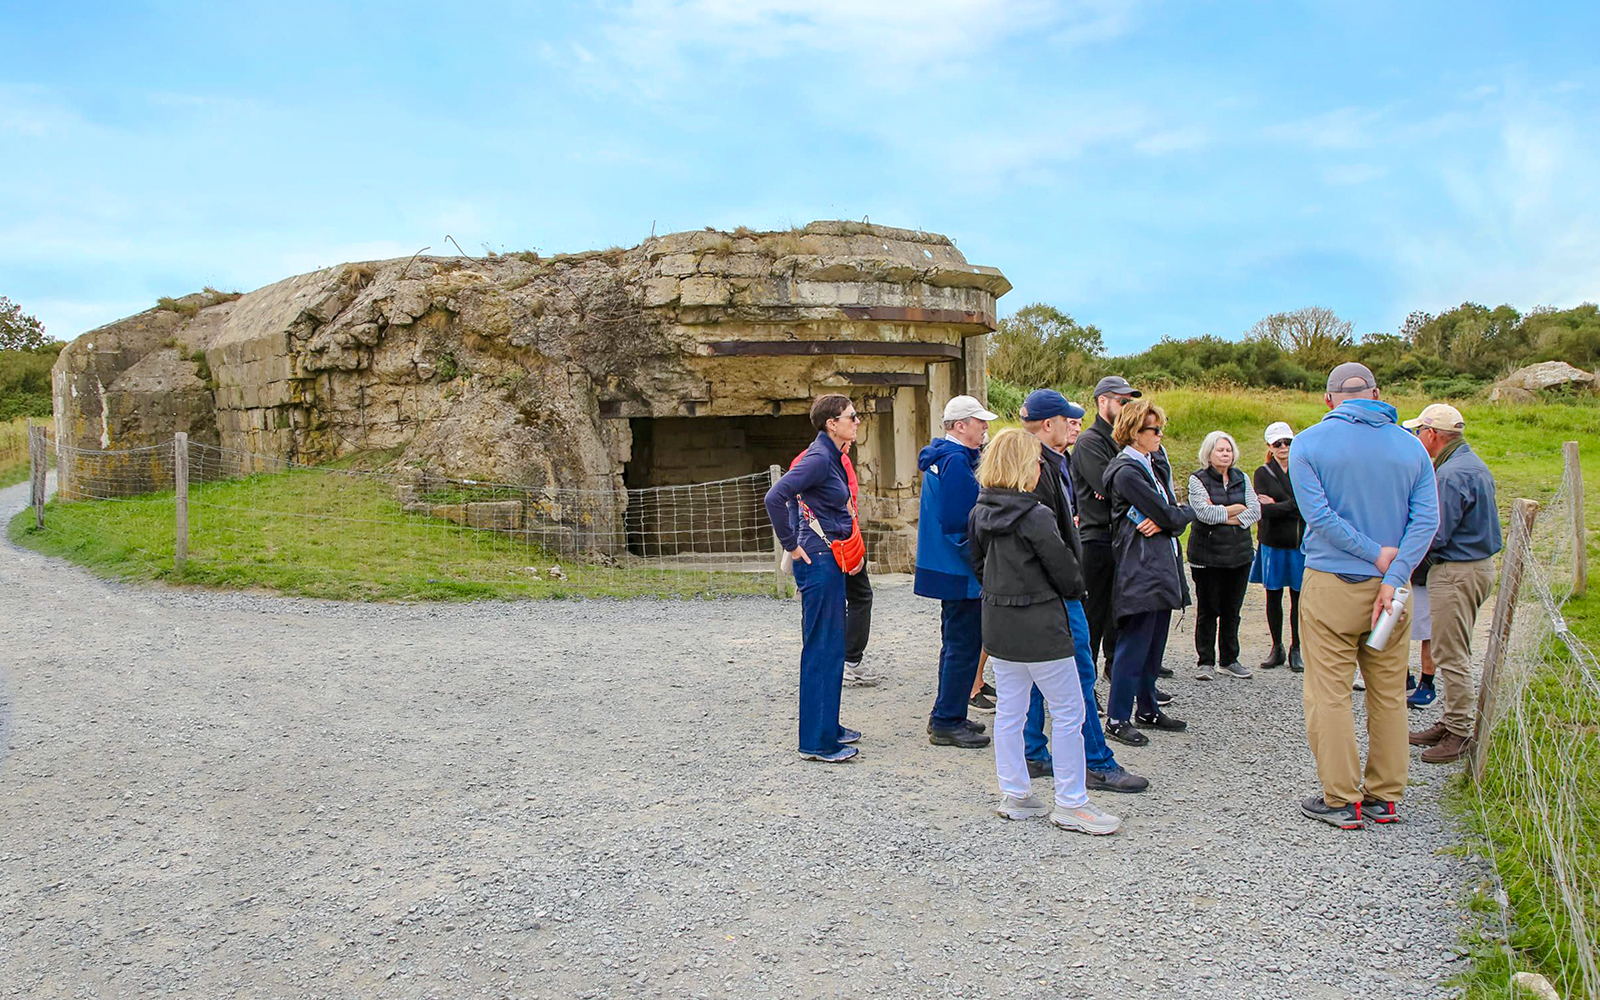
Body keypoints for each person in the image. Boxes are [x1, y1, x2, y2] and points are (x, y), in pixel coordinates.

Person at [1290, 362, 1438, 828]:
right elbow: (1426, 521)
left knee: (1329, 693)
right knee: (1390, 693)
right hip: (1392, 591)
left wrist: (1374, 555)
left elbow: (1320, 517)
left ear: (1329, 398)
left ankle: (1341, 799)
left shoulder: (1308, 444)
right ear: (1377, 393)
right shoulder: (1411, 446)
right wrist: (1393, 571)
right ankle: (1385, 795)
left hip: (1333, 583)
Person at [968, 428, 1121, 835]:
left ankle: (1016, 792)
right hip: (1041, 623)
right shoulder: (1036, 515)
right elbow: (1067, 571)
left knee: (1011, 710)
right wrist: (1068, 589)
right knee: (1070, 710)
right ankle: (1072, 801)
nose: (1041, 469)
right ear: (1024, 466)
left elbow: (977, 562)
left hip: (1000, 622)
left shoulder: (980, 510)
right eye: (1036, 462)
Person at [1019, 389, 1149, 792]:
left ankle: (1034, 751)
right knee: (1079, 672)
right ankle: (1096, 760)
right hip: (1055, 589)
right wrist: (1071, 583)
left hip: (1045, 589)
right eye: (1067, 419)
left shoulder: (1044, 462)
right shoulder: (1037, 468)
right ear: (1047, 424)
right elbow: (1046, 538)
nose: (1073, 424)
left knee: (1039, 674)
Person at [764, 394, 869, 763]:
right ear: (831, 423)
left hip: (831, 558)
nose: (857, 421)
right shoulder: (819, 458)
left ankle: (829, 727)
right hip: (818, 559)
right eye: (851, 416)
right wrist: (792, 545)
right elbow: (775, 496)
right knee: (822, 648)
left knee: (832, 646)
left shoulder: (834, 456)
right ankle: (817, 741)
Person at [1404, 404, 1503, 764]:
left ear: (1433, 435)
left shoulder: (1450, 475)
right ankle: (1449, 720)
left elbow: (1436, 531)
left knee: (1450, 651)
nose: (1418, 438)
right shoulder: (1469, 463)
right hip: (1473, 566)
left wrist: (1408, 561)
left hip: (1456, 570)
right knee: (1452, 645)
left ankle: (1459, 731)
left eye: (1420, 432)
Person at [1101, 399, 1195, 747]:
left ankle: (1148, 706)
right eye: (1153, 430)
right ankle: (1117, 716)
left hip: (1159, 563)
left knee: (1155, 641)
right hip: (1141, 566)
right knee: (1135, 641)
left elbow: (1172, 514)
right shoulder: (1127, 471)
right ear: (1133, 432)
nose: (1160, 435)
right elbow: (1170, 515)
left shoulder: (1151, 465)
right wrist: (1178, 516)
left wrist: (1176, 515)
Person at [915, 394, 998, 749]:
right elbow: (961, 525)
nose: (985, 428)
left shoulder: (947, 458)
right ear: (960, 426)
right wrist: (982, 564)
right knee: (963, 645)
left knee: (957, 644)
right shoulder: (956, 463)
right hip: (962, 571)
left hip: (950, 568)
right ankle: (947, 719)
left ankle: (949, 715)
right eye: (980, 423)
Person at [788, 442, 880, 687]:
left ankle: (818, 665)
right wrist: (855, 548)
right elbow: (848, 508)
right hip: (835, 544)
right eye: (850, 419)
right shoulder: (837, 461)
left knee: (815, 606)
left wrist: (794, 544)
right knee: (859, 596)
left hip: (811, 544)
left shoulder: (803, 457)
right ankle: (849, 662)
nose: (856, 425)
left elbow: (791, 502)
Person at [1071, 376, 1140, 683]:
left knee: (1121, 613)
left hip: (1122, 536)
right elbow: (1110, 486)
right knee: (1094, 617)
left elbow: (1136, 485)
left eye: (1130, 402)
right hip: (1097, 538)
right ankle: (1087, 685)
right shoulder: (1089, 441)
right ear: (1103, 402)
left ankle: (1120, 675)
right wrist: (1124, 485)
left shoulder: (1123, 441)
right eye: (1122, 401)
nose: (1127, 407)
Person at [1186, 431, 1261, 680]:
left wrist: (1225, 516)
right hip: (1207, 556)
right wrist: (1234, 512)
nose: (1225, 454)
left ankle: (1230, 659)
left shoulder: (1242, 478)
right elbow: (1204, 514)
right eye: (1220, 450)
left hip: (1239, 555)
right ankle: (1205, 660)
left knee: (1232, 610)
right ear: (1209, 453)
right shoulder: (1197, 480)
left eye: (1228, 450)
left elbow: (1255, 511)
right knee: (1208, 610)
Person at [1252, 422, 1306, 672]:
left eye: (1287, 442)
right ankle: (1277, 646)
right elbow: (1263, 510)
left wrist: (1280, 504)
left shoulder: (1303, 469)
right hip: (1273, 542)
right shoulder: (1262, 473)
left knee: (1298, 597)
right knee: (1273, 595)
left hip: (1297, 542)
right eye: (1278, 444)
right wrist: (1291, 505)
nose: (1284, 447)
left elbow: (1307, 505)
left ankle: (1296, 647)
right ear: (1269, 447)